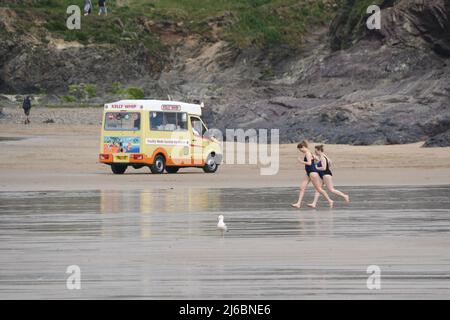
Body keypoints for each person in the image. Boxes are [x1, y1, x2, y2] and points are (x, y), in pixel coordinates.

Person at [291, 140, 334, 209]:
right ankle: (298, 203)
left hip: (313, 173)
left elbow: (309, 163)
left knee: (319, 189)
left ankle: (330, 200)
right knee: (302, 188)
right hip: (308, 172)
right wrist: (316, 162)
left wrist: (301, 161)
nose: (300, 151)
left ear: (303, 147)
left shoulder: (308, 153)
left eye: (300, 149)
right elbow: (317, 159)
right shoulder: (309, 153)